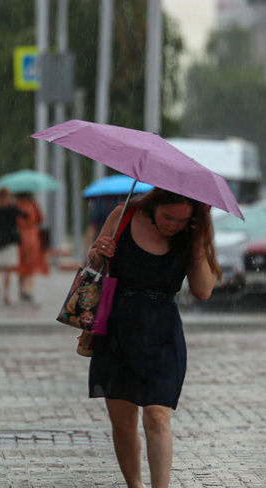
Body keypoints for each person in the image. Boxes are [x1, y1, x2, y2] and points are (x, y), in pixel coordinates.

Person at [86, 188, 220, 488]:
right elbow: (93, 266)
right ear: (154, 205)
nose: (173, 225)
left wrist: (198, 241)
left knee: (158, 417)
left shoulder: (191, 235)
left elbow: (203, 290)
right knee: (123, 424)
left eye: (181, 220)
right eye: (168, 217)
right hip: (117, 331)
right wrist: (98, 253)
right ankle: (135, 486)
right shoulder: (123, 215)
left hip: (162, 334)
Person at [14, 192, 49, 304]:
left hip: (19, 237)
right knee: (30, 264)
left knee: (20, 264)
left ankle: (21, 290)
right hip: (33, 237)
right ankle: (29, 291)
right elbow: (41, 219)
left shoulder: (16, 206)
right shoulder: (34, 205)